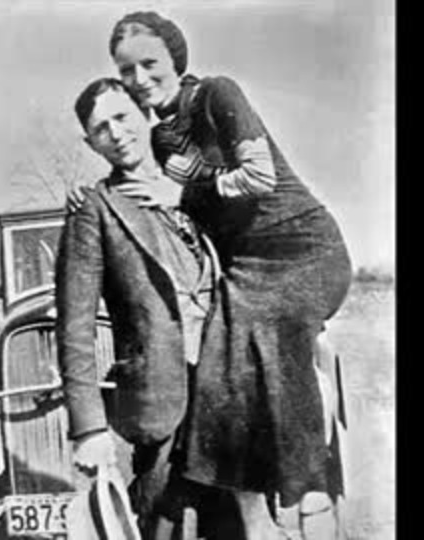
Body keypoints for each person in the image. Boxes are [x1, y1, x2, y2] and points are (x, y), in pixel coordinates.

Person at [69, 11, 355, 539]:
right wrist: (85, 199)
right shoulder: (157, 147)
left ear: (175, 57)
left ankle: (307, 497)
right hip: (241, 275)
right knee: (225, 372)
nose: (140, 79)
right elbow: (138, 188)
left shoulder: (217, 94)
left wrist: (184, 193)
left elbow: (257, 177)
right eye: (127, 70)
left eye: (149, 63)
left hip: (299, 248)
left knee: (265, 354)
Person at [56, 77, 240, 539]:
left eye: (122, 117)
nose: (116, 134)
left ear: (144, 114)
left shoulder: (196, 189)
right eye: (101, 129)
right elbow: (75, 326)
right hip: (161, 403)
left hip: (229, 392)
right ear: (91, 144)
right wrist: (88, 429)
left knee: (241, 526)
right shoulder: (94, 209)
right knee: (167, 526)